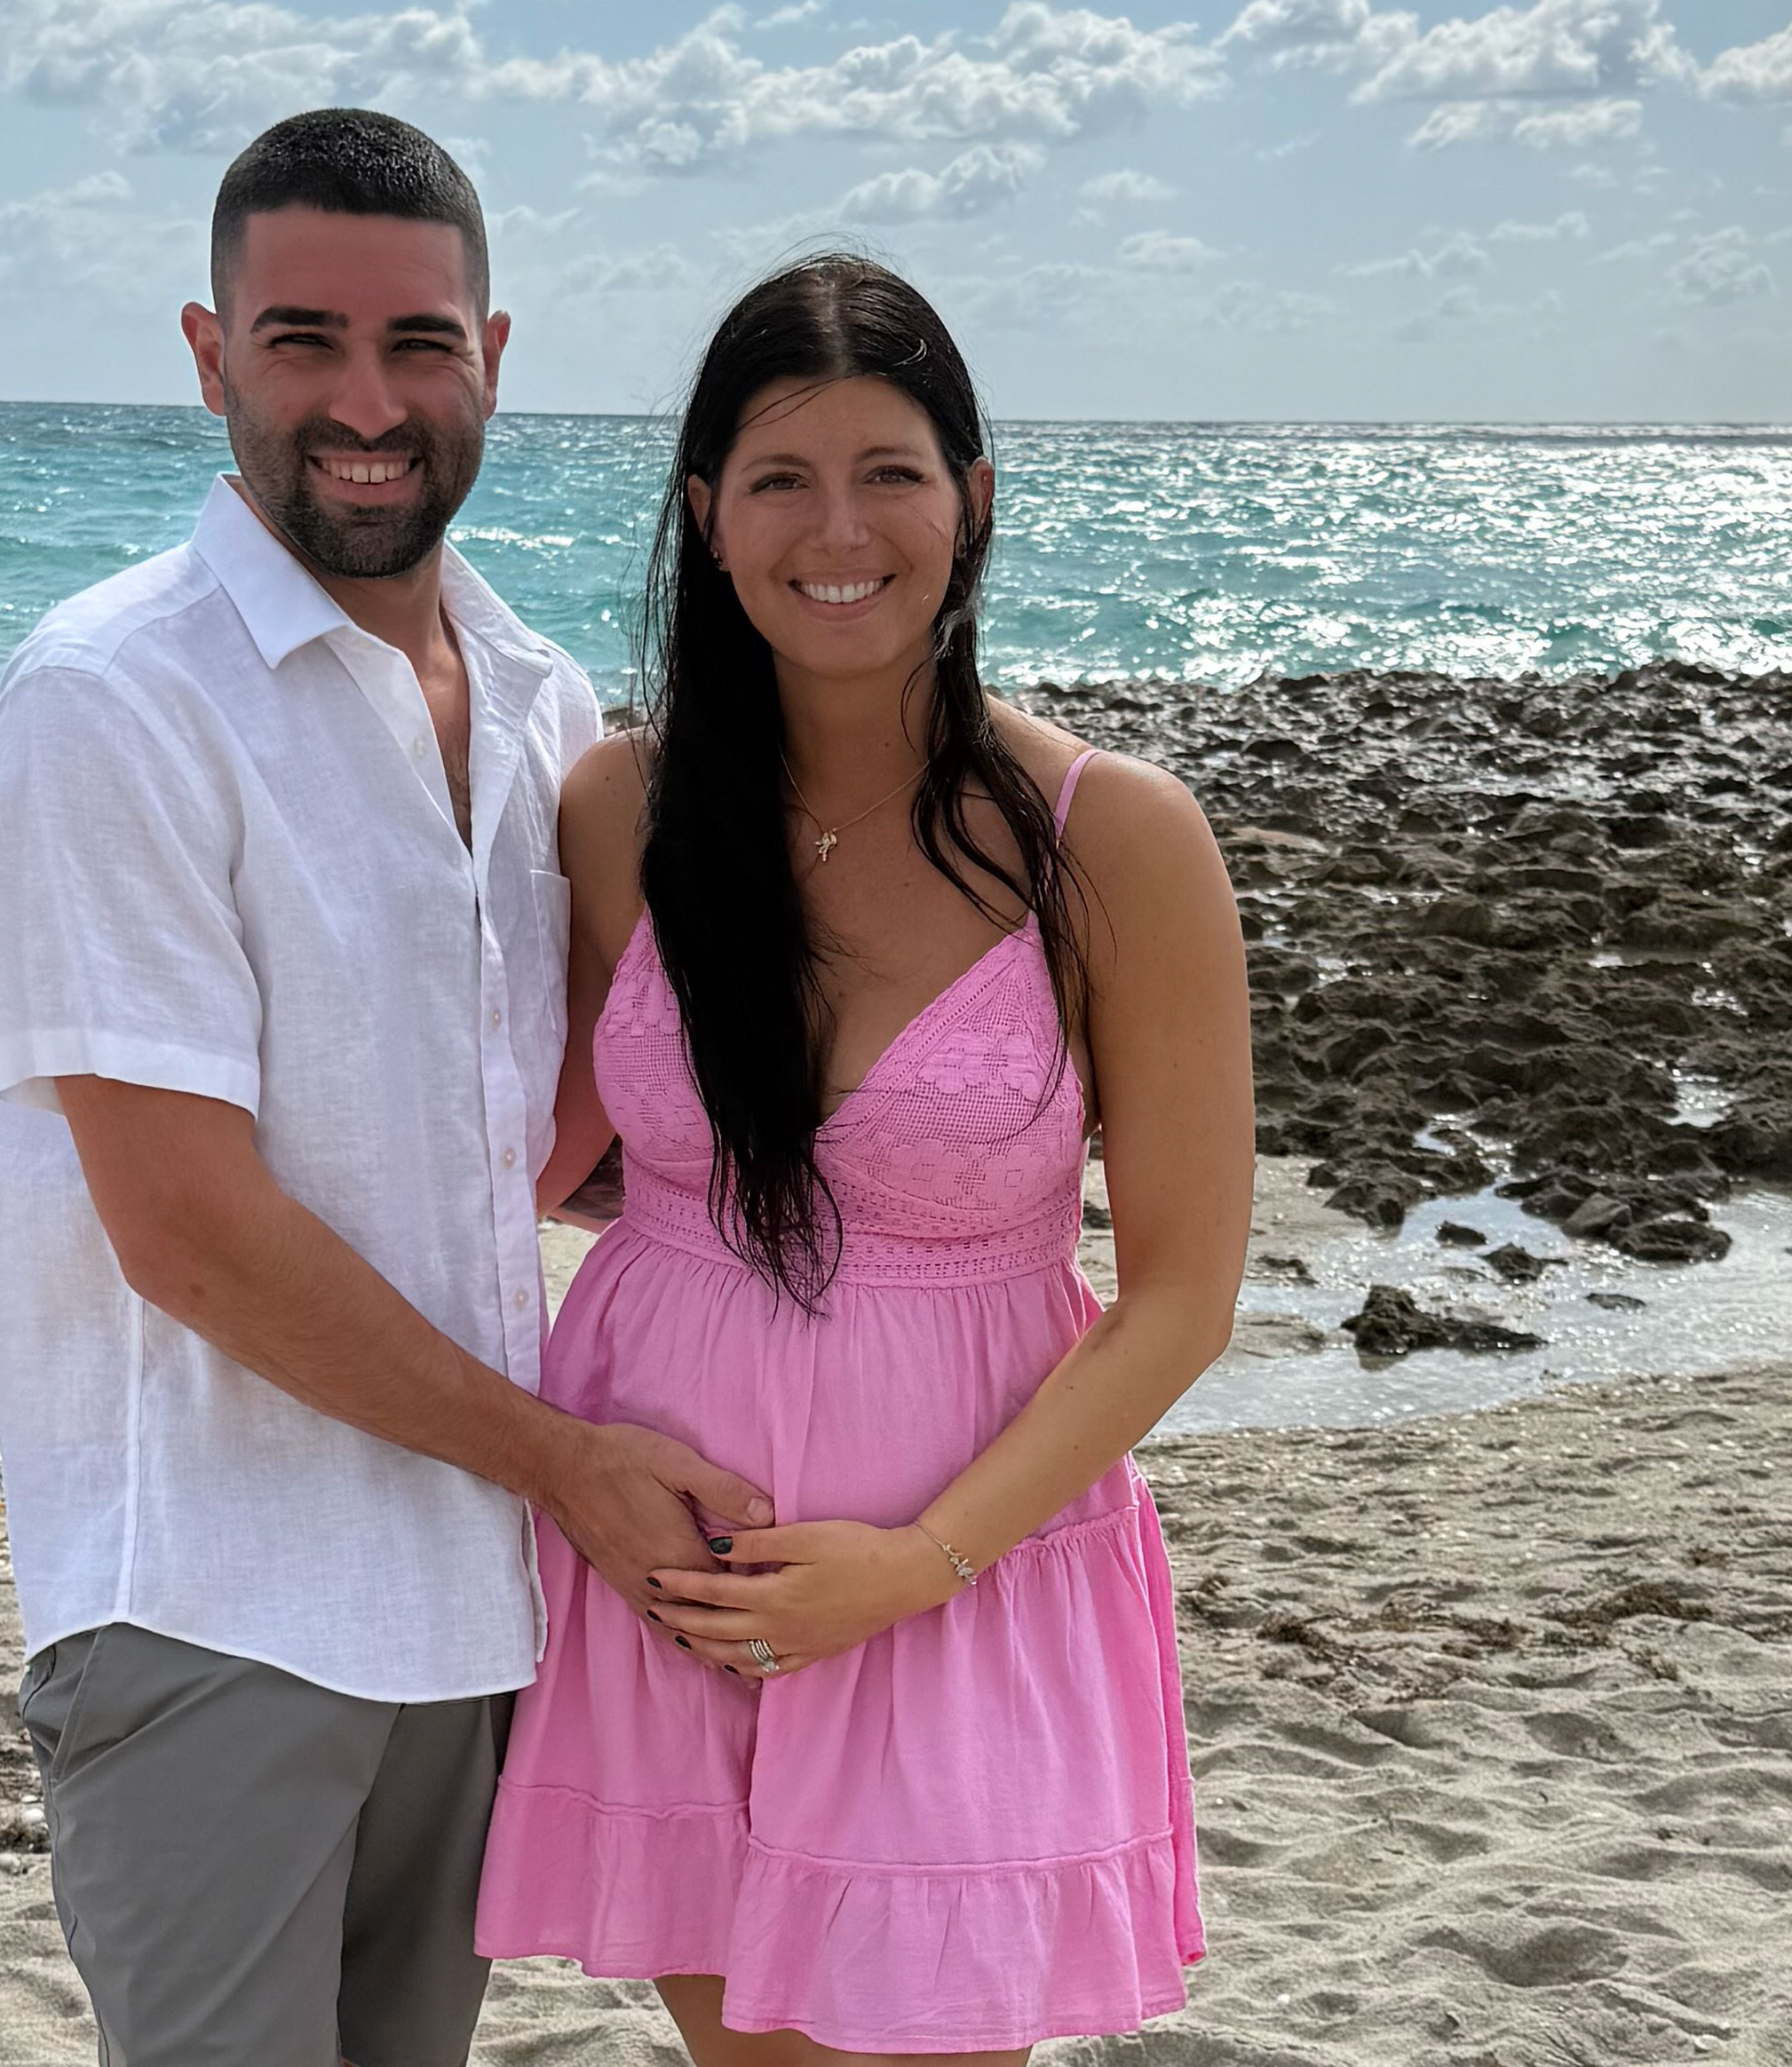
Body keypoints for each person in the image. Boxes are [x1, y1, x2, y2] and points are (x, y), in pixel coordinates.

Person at [0, 109, 767, 2067]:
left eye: (416, 344)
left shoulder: (550, 702)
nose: (366, 401)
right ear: (209, 352)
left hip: (468, 1607)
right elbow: (190, 1237)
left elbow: (534, 1154)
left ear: (494, 355)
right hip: (214, 1606)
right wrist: (567, 1463)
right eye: (302, 339)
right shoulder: (112, 697)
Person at [474, 255, 1254, 2063]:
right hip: (670, 1556)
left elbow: (1182, 1298)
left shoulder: (1110, 842)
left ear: (972, 503)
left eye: (890, 473)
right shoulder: (617, 812)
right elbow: (524, 1147)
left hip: (958, 1568)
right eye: (780, 480)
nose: (840, 529)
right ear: (707, 520)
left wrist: (921, 1560)